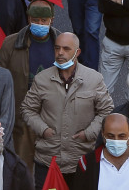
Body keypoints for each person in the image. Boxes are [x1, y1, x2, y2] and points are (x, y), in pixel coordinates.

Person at [19, 32, 115, 188]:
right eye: (57, 48)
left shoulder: (94, 79)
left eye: (66, 49)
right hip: (48, 160)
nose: (60, 53)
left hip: (80, 159)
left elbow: (106, 111)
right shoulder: (42, 79)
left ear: (77, 52)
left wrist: (89, 133)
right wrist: (43, 130)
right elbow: (27, 109)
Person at [0, 1, 60, 167]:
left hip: (53, 117)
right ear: (28, 18)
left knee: (50, 169)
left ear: (51, 19)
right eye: (35, 20)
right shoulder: (11, 43)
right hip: (21, 117)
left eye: (43, 21)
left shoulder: (62, 43)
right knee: (22, 167)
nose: (39, 24)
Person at [71, 113, 129, 190]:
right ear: (102, 134)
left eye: (121, 136)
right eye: (110, 136)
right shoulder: (86, 163)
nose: (116, 140)